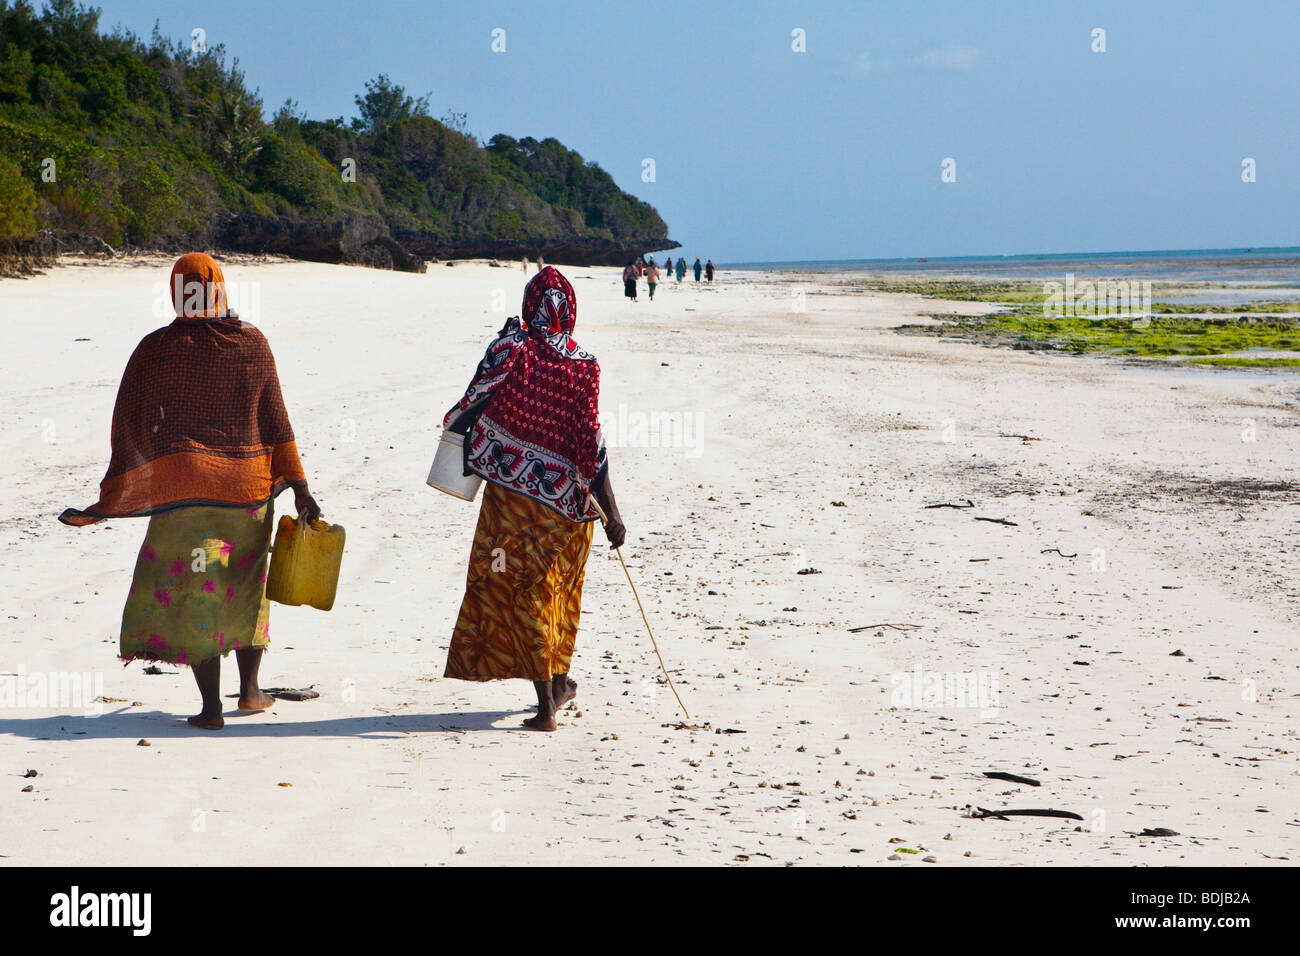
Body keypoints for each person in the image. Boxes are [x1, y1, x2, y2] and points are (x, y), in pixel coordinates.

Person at [59, 253, 322, 731]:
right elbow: (276, 422)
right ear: (221, 287)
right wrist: (300, 487)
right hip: (247, 494)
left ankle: (211, 709)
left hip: (183, 494)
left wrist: (129, 483)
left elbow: (130, 421)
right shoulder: (252, 343)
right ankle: (249, 692)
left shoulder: (156, 348)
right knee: (245, 590)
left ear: (176, 291)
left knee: (199, 594)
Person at [441, 267, 626, 731]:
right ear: (571, 311)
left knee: (515, 588)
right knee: (560, 591)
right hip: (567, 507)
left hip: (509, 501)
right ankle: (550, 698)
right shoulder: (583, 364)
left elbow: (468, 404)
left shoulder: (510, 350)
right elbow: (590, 442)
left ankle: (551, 695)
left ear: (529, 305)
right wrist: (612, 513)